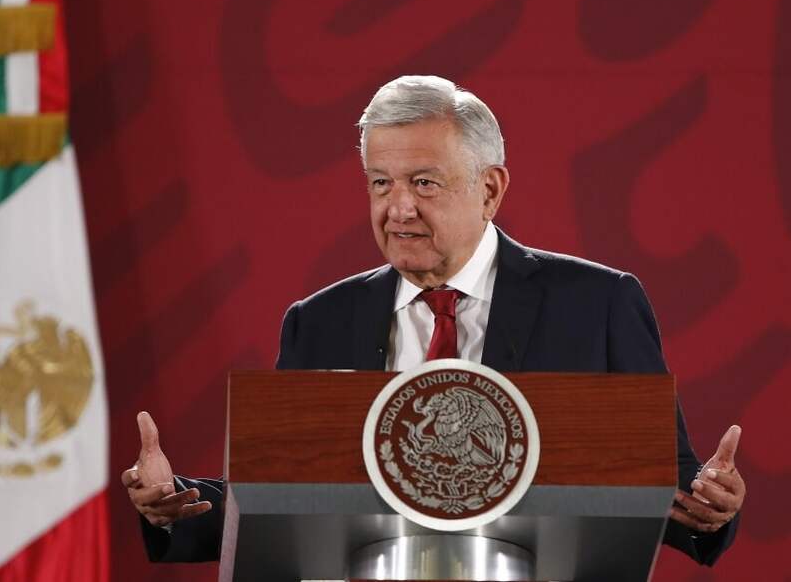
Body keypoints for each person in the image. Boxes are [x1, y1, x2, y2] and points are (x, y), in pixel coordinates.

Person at [122, 75, 746, 566]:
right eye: (380, 182)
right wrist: (176, 504)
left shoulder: (599, 303)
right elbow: (278, 498)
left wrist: (712, 504)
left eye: (424, 183)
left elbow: (670, 483)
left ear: (491, 189)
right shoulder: (319, 322)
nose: (398, 209)